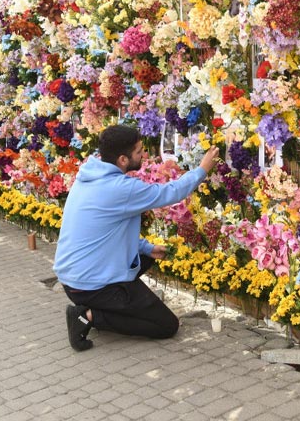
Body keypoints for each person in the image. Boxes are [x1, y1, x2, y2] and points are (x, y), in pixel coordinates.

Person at [54, 124, 220, 351]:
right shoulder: (119, 188)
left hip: (74, 279)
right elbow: (170, 193)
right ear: (123, 159)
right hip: (91, 286)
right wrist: (202, 169)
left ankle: (105, 304)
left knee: (147, 256)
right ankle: (88, 316)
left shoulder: (89, 175)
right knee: (166, 326)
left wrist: (145, 247)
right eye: (139, 151)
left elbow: (108, 230)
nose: (145, 154)